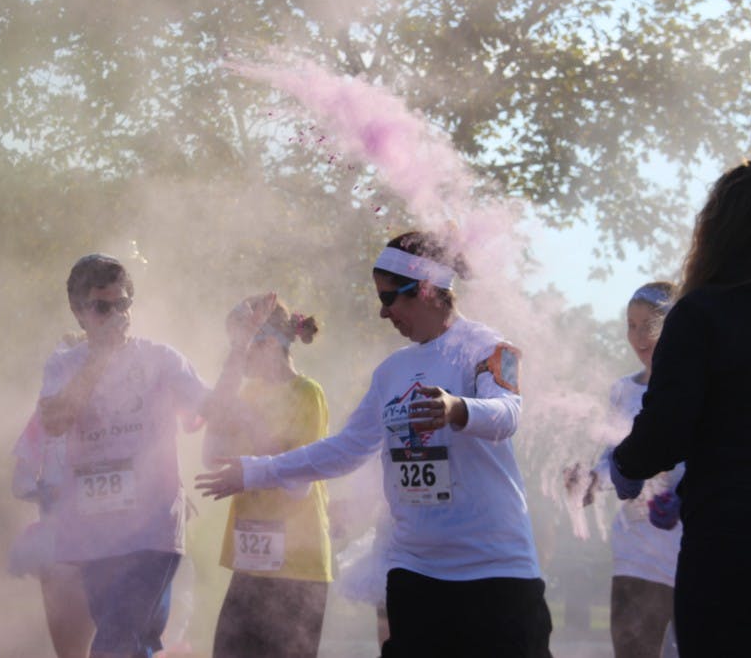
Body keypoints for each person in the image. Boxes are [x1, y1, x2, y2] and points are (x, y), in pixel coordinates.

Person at [197, 231, 553, 658]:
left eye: (388, 298)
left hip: (496, 571)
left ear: (425, 290)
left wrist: (457, 408)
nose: (383, 313)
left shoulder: (493, 348)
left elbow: (508, 415)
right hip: (414, 570)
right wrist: (256, 470)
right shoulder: (391, 371)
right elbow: (346, 449)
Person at [610, 159, 751, 657]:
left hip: (732, 523)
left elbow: (666, 426)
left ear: (718, 228)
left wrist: (624, 465)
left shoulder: (700, 313)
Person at [37, 253, 209, 658]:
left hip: (153, 530)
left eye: (123, 305)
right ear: (78, 311)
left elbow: (210, 408)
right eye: (102, 308)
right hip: (94, 531)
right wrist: (99, 357)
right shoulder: (64, 364)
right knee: (135, 643)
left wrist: (240, 355)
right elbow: (55, 420)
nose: (116, 317)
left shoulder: (161, 358)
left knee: (114, 642)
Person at [203, 294, 332, 658]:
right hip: (250, 564)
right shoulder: (248, 392)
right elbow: (211, 455)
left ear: (270, 344)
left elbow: (299, 482)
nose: (237, 356)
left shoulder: (307, 393)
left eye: (242, 345)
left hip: (297, 568)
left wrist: (250, 422)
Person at [585, 282, 682, 658]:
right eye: (631, 325)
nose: (638, 337)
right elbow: (613, 458)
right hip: (635, 554)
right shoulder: (622, 390)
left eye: (648, 325)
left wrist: (682, 494)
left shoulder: (702, 385)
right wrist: (591, 480)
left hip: (689, 552)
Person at [10, 406, 95, 658]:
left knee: (105, 635)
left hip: (104, 538)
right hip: (54, 542)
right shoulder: (44, 415)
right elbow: (20, 482)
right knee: (67, 646)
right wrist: (46, 493)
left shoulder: (116, 409)